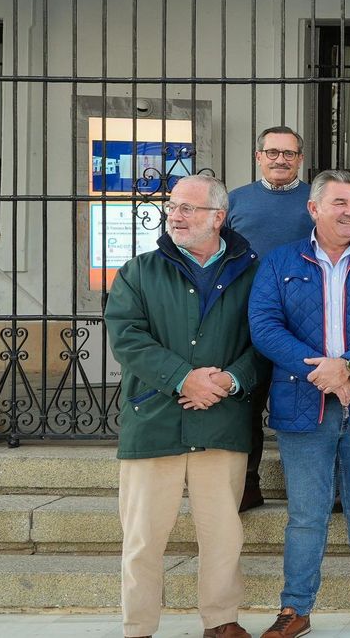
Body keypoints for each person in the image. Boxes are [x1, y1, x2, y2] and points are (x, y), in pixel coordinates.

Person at [248, 170, 350, 638]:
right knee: (306, 515)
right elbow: (264, 327)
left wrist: (349, 366)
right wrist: (321, 371)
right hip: (303, 404)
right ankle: (295, 609)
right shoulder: (280, 262)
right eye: (339, 202)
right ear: (314, 208)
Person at [106, 175, 262, 638]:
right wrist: (183, 378)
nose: (175, 215)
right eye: (173, 206)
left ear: (218, 217)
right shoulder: (139, 271)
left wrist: (230, 380)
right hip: (154, 420)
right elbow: (127, 337)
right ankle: (138, 627)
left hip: (222, 420)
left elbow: (267, 338)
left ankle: (221, 620)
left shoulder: (252, 272)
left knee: (223, 536)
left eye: (188, 208)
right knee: (142, 538)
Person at [224, 126, 309, 512]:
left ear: (300, 159)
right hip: (248, 320)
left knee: (303, 406)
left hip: (305, 321)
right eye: (272, 152)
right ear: (258, 157)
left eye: (289, 154)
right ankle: (247, 484)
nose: (280, 160)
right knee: (246, 403)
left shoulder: (316, 200)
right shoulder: (236, 201)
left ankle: (307, 488)